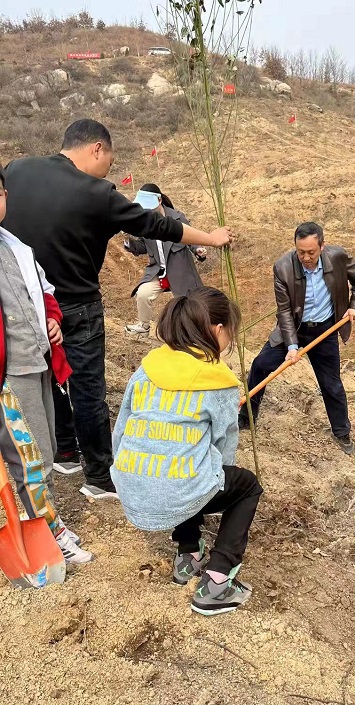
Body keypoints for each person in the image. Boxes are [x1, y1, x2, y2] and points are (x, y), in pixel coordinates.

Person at [3, 119, 232, 500]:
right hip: (77, 305)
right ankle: (97, 476)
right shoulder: (97, 193)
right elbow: (160, 226)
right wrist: (211, 237)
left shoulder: (16, 171)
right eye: (109, 159)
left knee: (49, 374)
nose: (108, 169)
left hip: (27, 304)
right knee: (87, 387)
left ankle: (63, 451)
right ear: (97, 148)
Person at [111, 287, 263, 616]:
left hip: (129, 485)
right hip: (171, 491)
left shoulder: (147, 369)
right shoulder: (218, 382)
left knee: (187, 461)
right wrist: (216, 487)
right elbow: (224, 450)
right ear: (219, 331)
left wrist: (128, 472)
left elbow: (120, 430)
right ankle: (217, 581)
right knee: (244, 484)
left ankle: (188, 554)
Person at [0, 167, 93, 564]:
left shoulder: (15, 246)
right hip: (8, 374)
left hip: (38, 361)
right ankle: (49, 534)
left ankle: (45, 521)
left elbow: (44, 288)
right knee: (29, 456)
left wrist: (52, 318)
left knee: (48, 446)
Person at [239, 222, 355, 454]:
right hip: (294, 329)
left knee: (331, 384)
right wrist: (291, 345)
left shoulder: (337, 257)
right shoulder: (283, 267)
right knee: (260, 365)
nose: (306, 257)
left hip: (325, 330)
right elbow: (284, 311)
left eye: (311, 252)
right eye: (301, 252)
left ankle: (342, 432)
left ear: (322, 246)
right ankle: (246, 417)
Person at [124, 183, 208, 337]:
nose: (146, 210)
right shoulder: (146, 221)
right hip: (158, 272)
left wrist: (198, 250)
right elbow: (144, 245)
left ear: (159, 201)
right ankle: (144, 326)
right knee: (143, 293)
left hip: (179, 270)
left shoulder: (177, 217)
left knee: (188, 304)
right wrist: (130, 244)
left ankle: (196, 333)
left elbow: (190, 237)